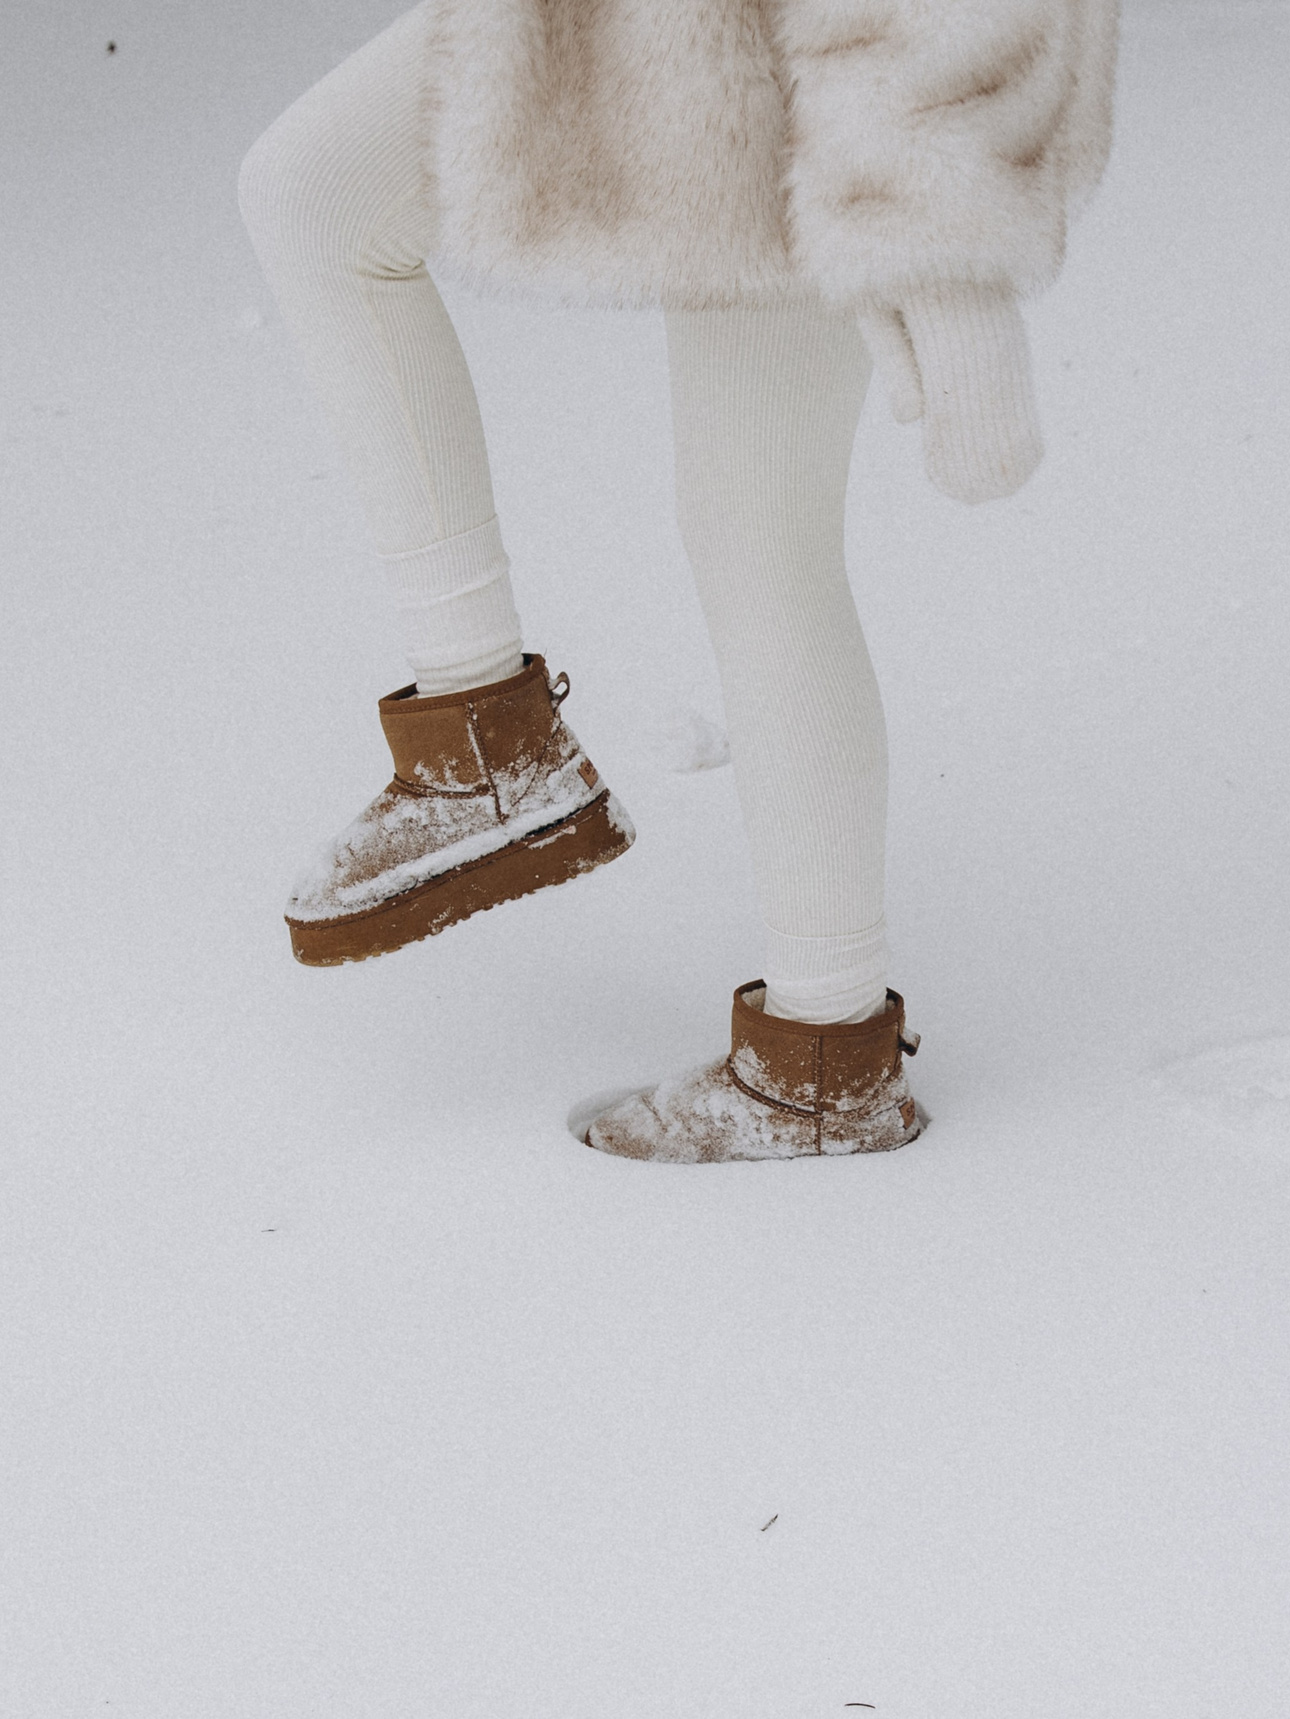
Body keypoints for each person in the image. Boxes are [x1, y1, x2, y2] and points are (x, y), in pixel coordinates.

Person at [235, 0, 1119, 1162]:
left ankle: (821, 1054)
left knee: (757, 532)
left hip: (788, 77)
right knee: (310, 194)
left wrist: (942, 235)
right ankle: (486, 739)